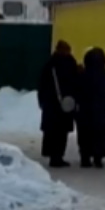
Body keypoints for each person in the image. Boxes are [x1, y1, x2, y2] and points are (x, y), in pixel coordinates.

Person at [37, 40, 80, 168]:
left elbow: (42, 84)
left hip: (52, 104)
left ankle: (53, 156)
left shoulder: (50, 64)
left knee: (52, 131)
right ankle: (58, 156)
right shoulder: (69, 63)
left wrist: (42, 100)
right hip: (65, 103)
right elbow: (74, 82)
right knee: (61, 132)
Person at [76, 46, 105, 168]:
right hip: (102, 111)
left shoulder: (83, 75)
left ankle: (85, 157)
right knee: (101, 135)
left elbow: (76, 90)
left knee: (84, 135)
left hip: (85, 112)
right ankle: (98, 158)